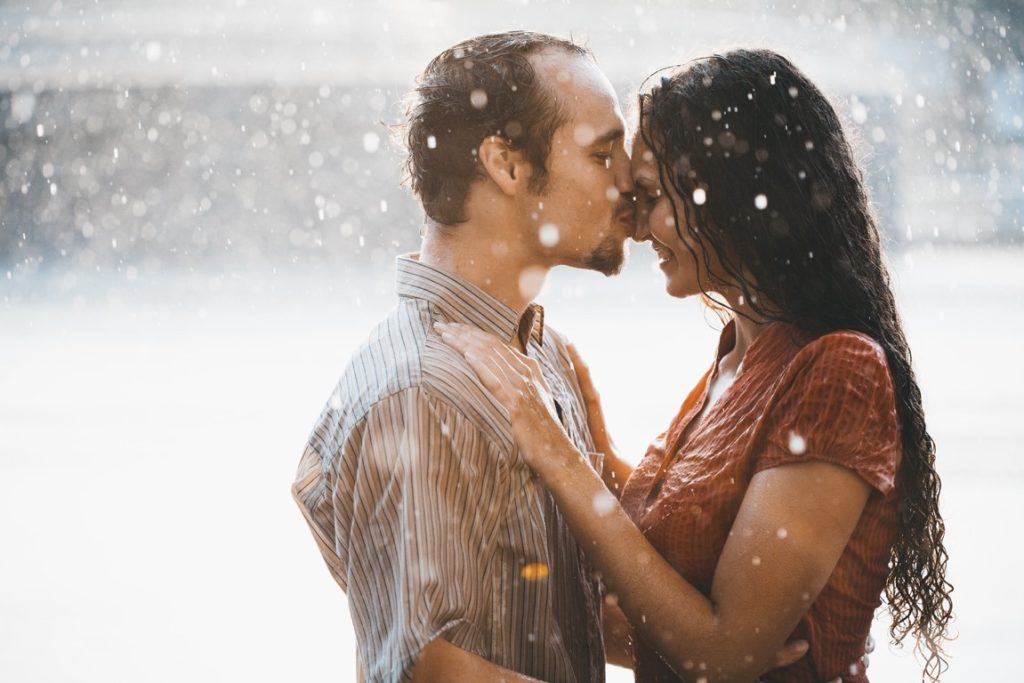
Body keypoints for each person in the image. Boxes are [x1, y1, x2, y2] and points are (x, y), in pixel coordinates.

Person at [437, 49, 953, 682]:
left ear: (735, 194)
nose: (635, 224)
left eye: (651, 196)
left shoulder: (837, 370)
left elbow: (722, 658)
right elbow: (683, 550)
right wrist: (588, 441)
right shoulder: (742, 352)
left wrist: (557, 453)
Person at [291, 31, 637, 682]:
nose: (633, 179)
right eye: (603, 153)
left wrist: (722, 657)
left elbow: (565, 611)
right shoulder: (422, 391)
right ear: (505, 164)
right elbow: (430, 669)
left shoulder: (540, 352)